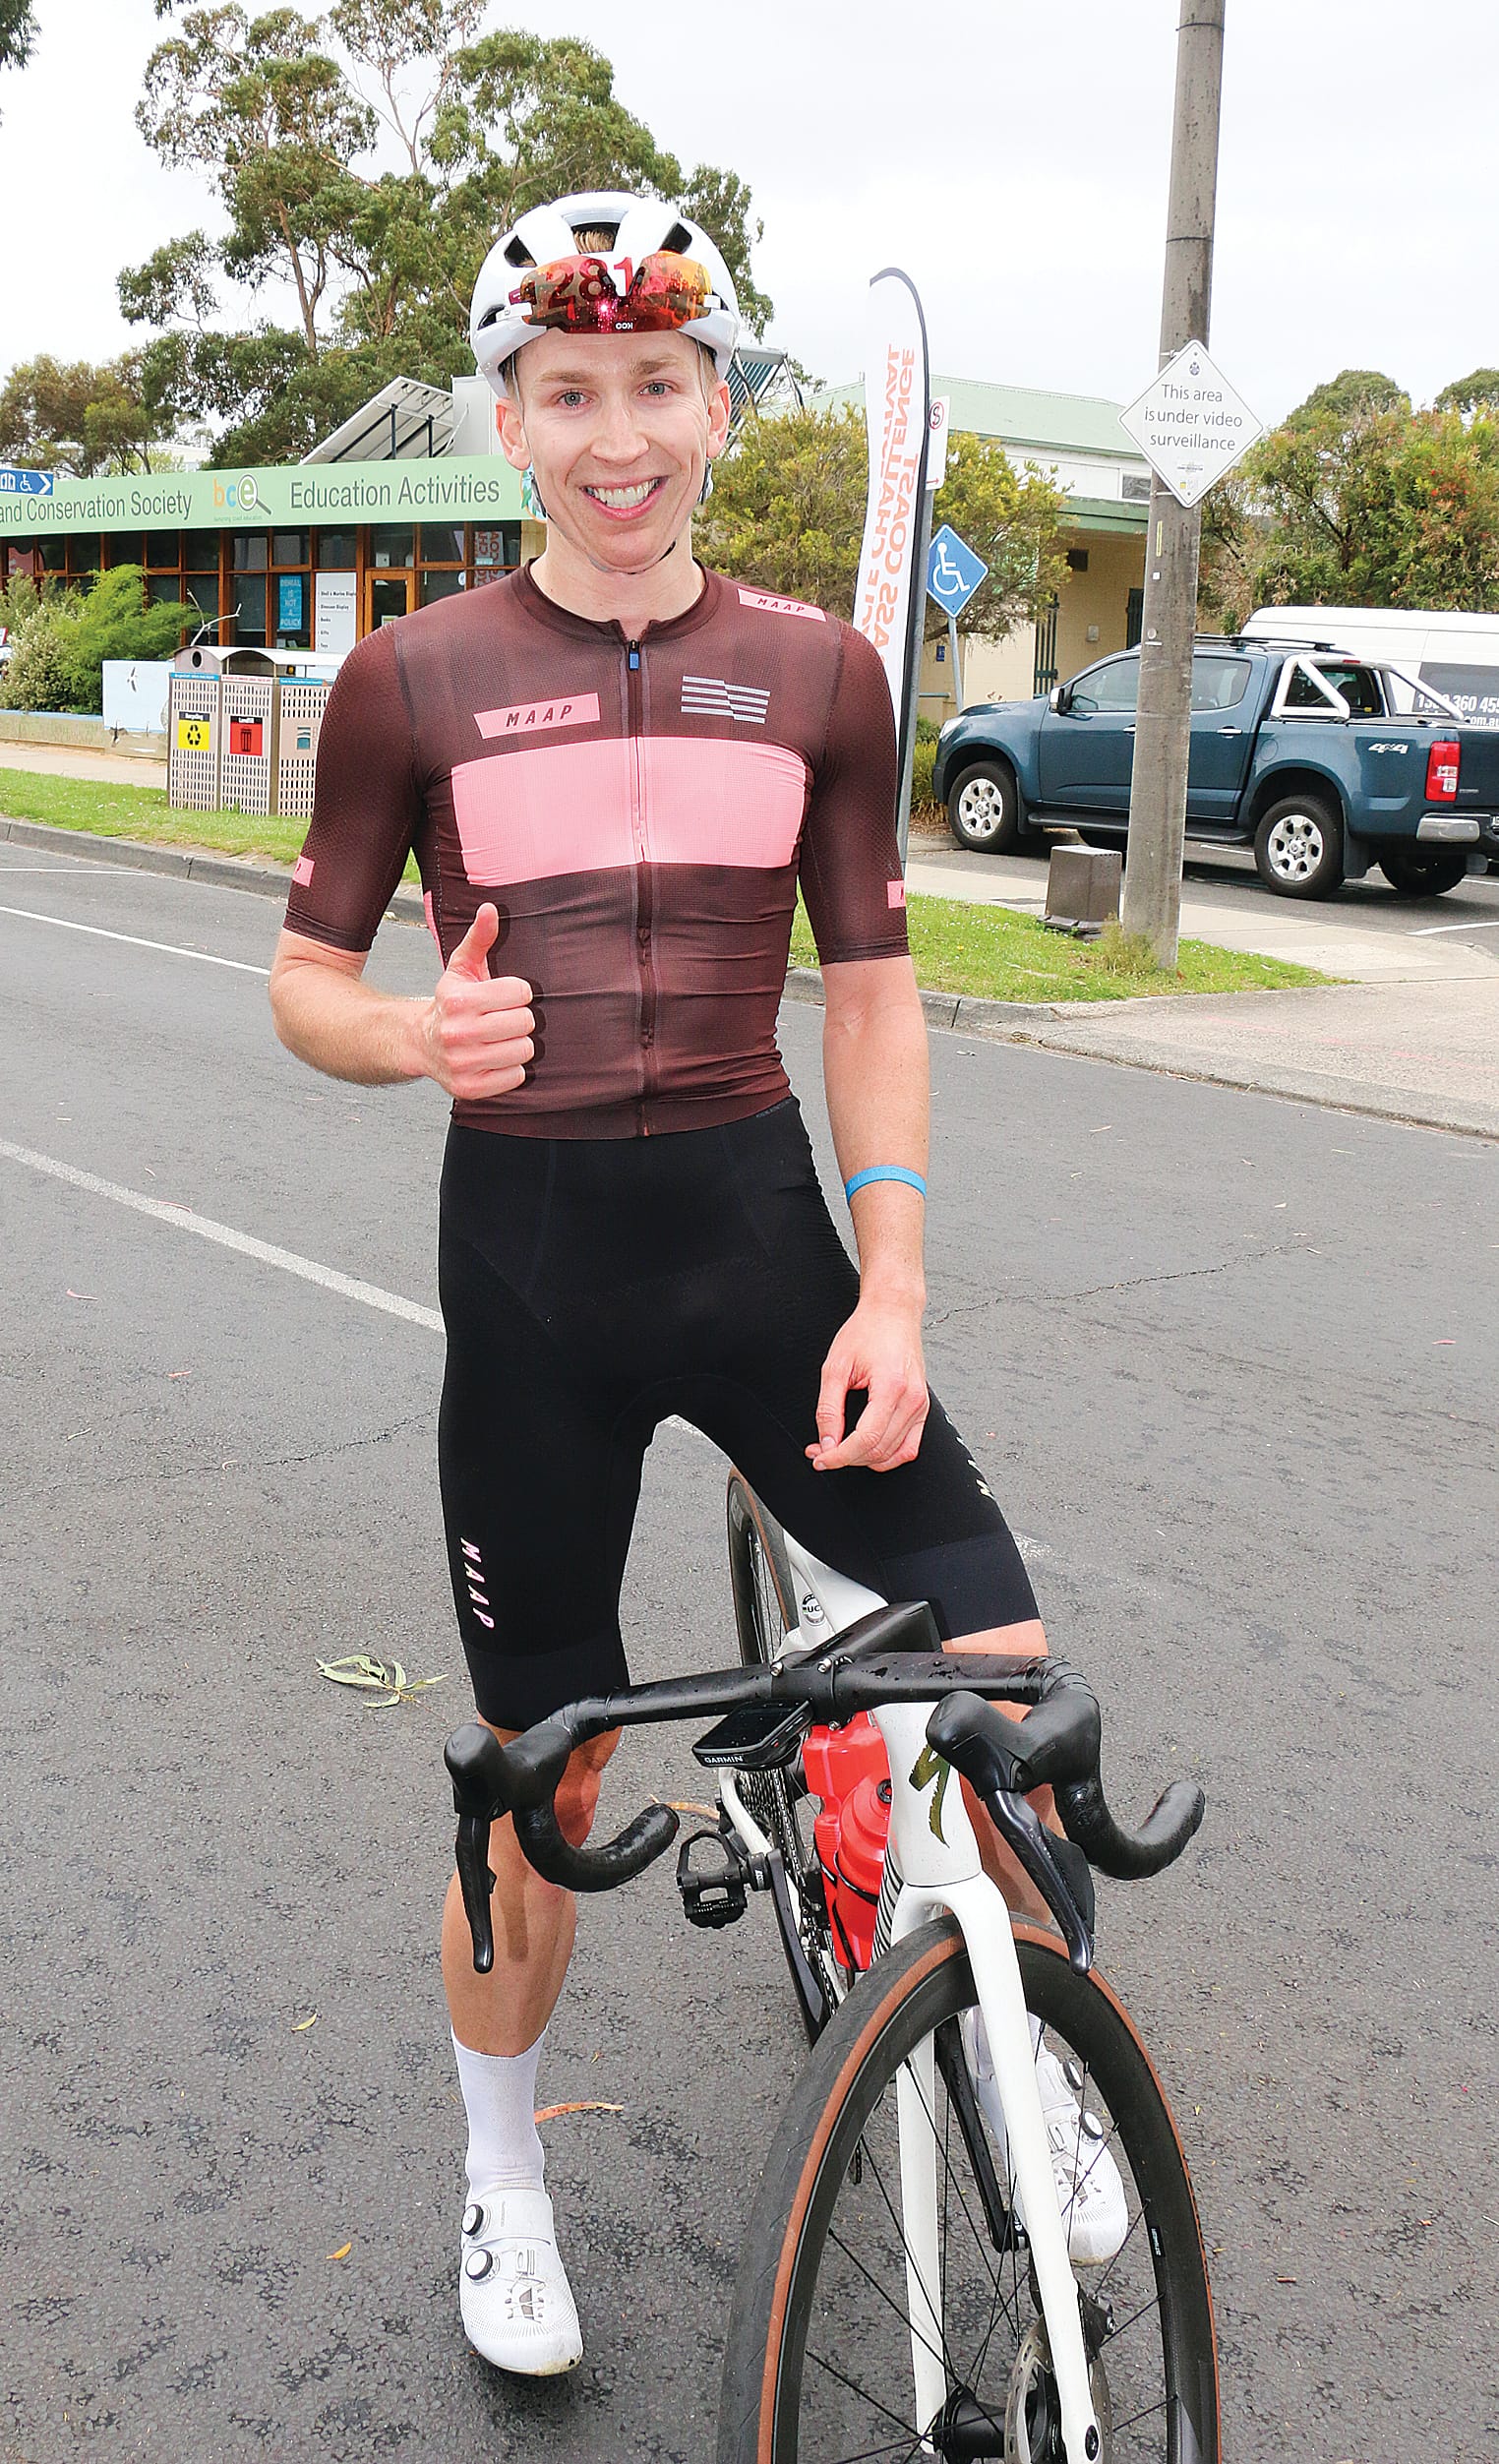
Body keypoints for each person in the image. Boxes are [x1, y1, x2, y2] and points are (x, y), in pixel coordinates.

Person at [268, 189, 1122, 2379]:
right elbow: (301, 984)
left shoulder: (822, 676)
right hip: (533, 1292)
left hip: (760, 1249)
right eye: (571, 393)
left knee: (997, 1672)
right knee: (529, 1792)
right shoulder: (410, 682)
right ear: (511, 420)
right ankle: (504, 2168)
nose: (616, 432)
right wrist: (410, 1035)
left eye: (658, 385)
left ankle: (1011, 2019)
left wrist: (897, 1279)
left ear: (717, 409)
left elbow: (874, 995)